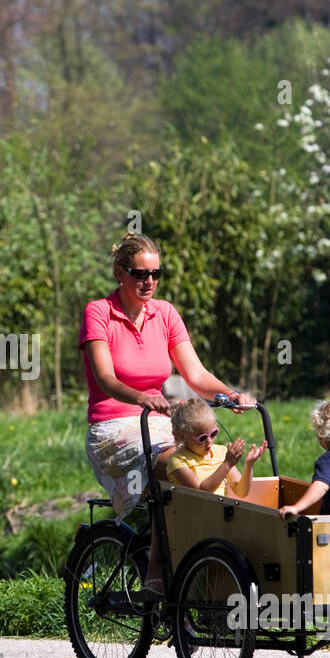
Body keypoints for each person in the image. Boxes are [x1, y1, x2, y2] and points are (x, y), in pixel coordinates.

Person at [80, 232, 255, 595]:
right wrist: (142, 397)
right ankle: (159, 573)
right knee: (173, 466)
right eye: (140, 273)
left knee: (211, 458)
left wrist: (231, 395)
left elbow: (196, 375)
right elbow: (105, 379)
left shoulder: (166, 313)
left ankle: (204, 568)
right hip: (113, 427)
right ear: (119, 273)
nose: (149, 282)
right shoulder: (98, 312)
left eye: (156, 274)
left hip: (157, 423)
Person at [166, 397, 267, 498]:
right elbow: (202, 491)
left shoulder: (221, 452)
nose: (209, 441)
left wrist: (249, 465)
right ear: (183, 436)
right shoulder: (178, 460)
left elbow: (241, 492)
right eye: (202, 438)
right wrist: (227, 464)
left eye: (213, 433)